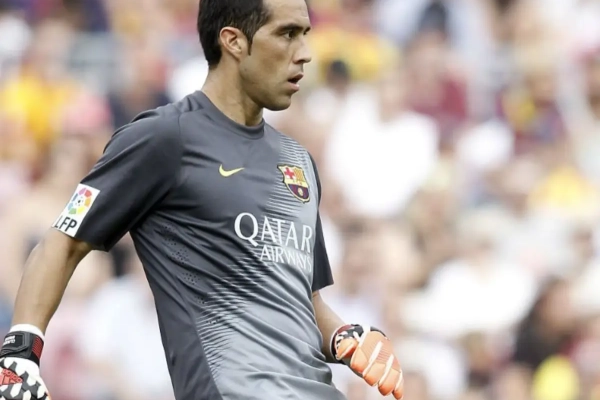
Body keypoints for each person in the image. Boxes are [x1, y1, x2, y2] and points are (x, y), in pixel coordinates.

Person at [0, 0, 405, 399]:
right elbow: (63, 241)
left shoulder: (297, 161)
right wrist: (19, 355)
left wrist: (345, 336)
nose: (305, 53)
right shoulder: (164, 138)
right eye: (287, 34)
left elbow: (303, 302)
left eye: (305, 34)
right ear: (233, 41)